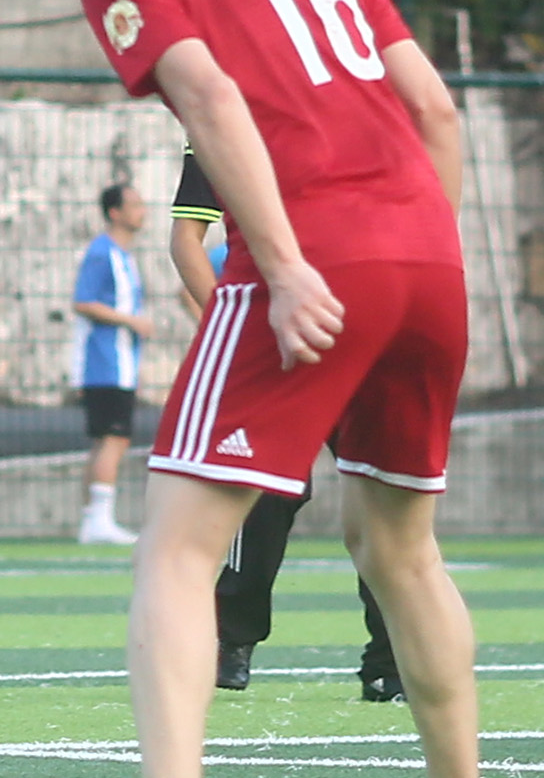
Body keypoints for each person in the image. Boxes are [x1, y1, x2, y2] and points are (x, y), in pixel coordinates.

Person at [31, 0, 499, 778]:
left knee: (179, 547)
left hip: (314, 252)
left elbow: (211, 95)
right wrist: (416, 251)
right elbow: (434, 104)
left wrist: (287, 263)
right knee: (401, 548)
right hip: (425, 252)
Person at [169, 145, 402, 700]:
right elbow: (185, 243)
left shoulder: (342, 106)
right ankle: (232, 639)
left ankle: (390, 663)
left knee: (381, 493)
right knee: (268, 488)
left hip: (352, 327)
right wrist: (235, 318)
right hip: (269, 340)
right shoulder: (217, 113)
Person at [71, 184, 152, 546]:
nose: (142, 210)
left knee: (108, 438)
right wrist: (131, 321)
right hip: (105, 364)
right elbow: (83, 301)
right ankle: (100, 520)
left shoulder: (124, 255)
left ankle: (93, 519)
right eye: (133, 204)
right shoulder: (102, 253)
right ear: (115, 212)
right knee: (114, 438)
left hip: (121, 364)